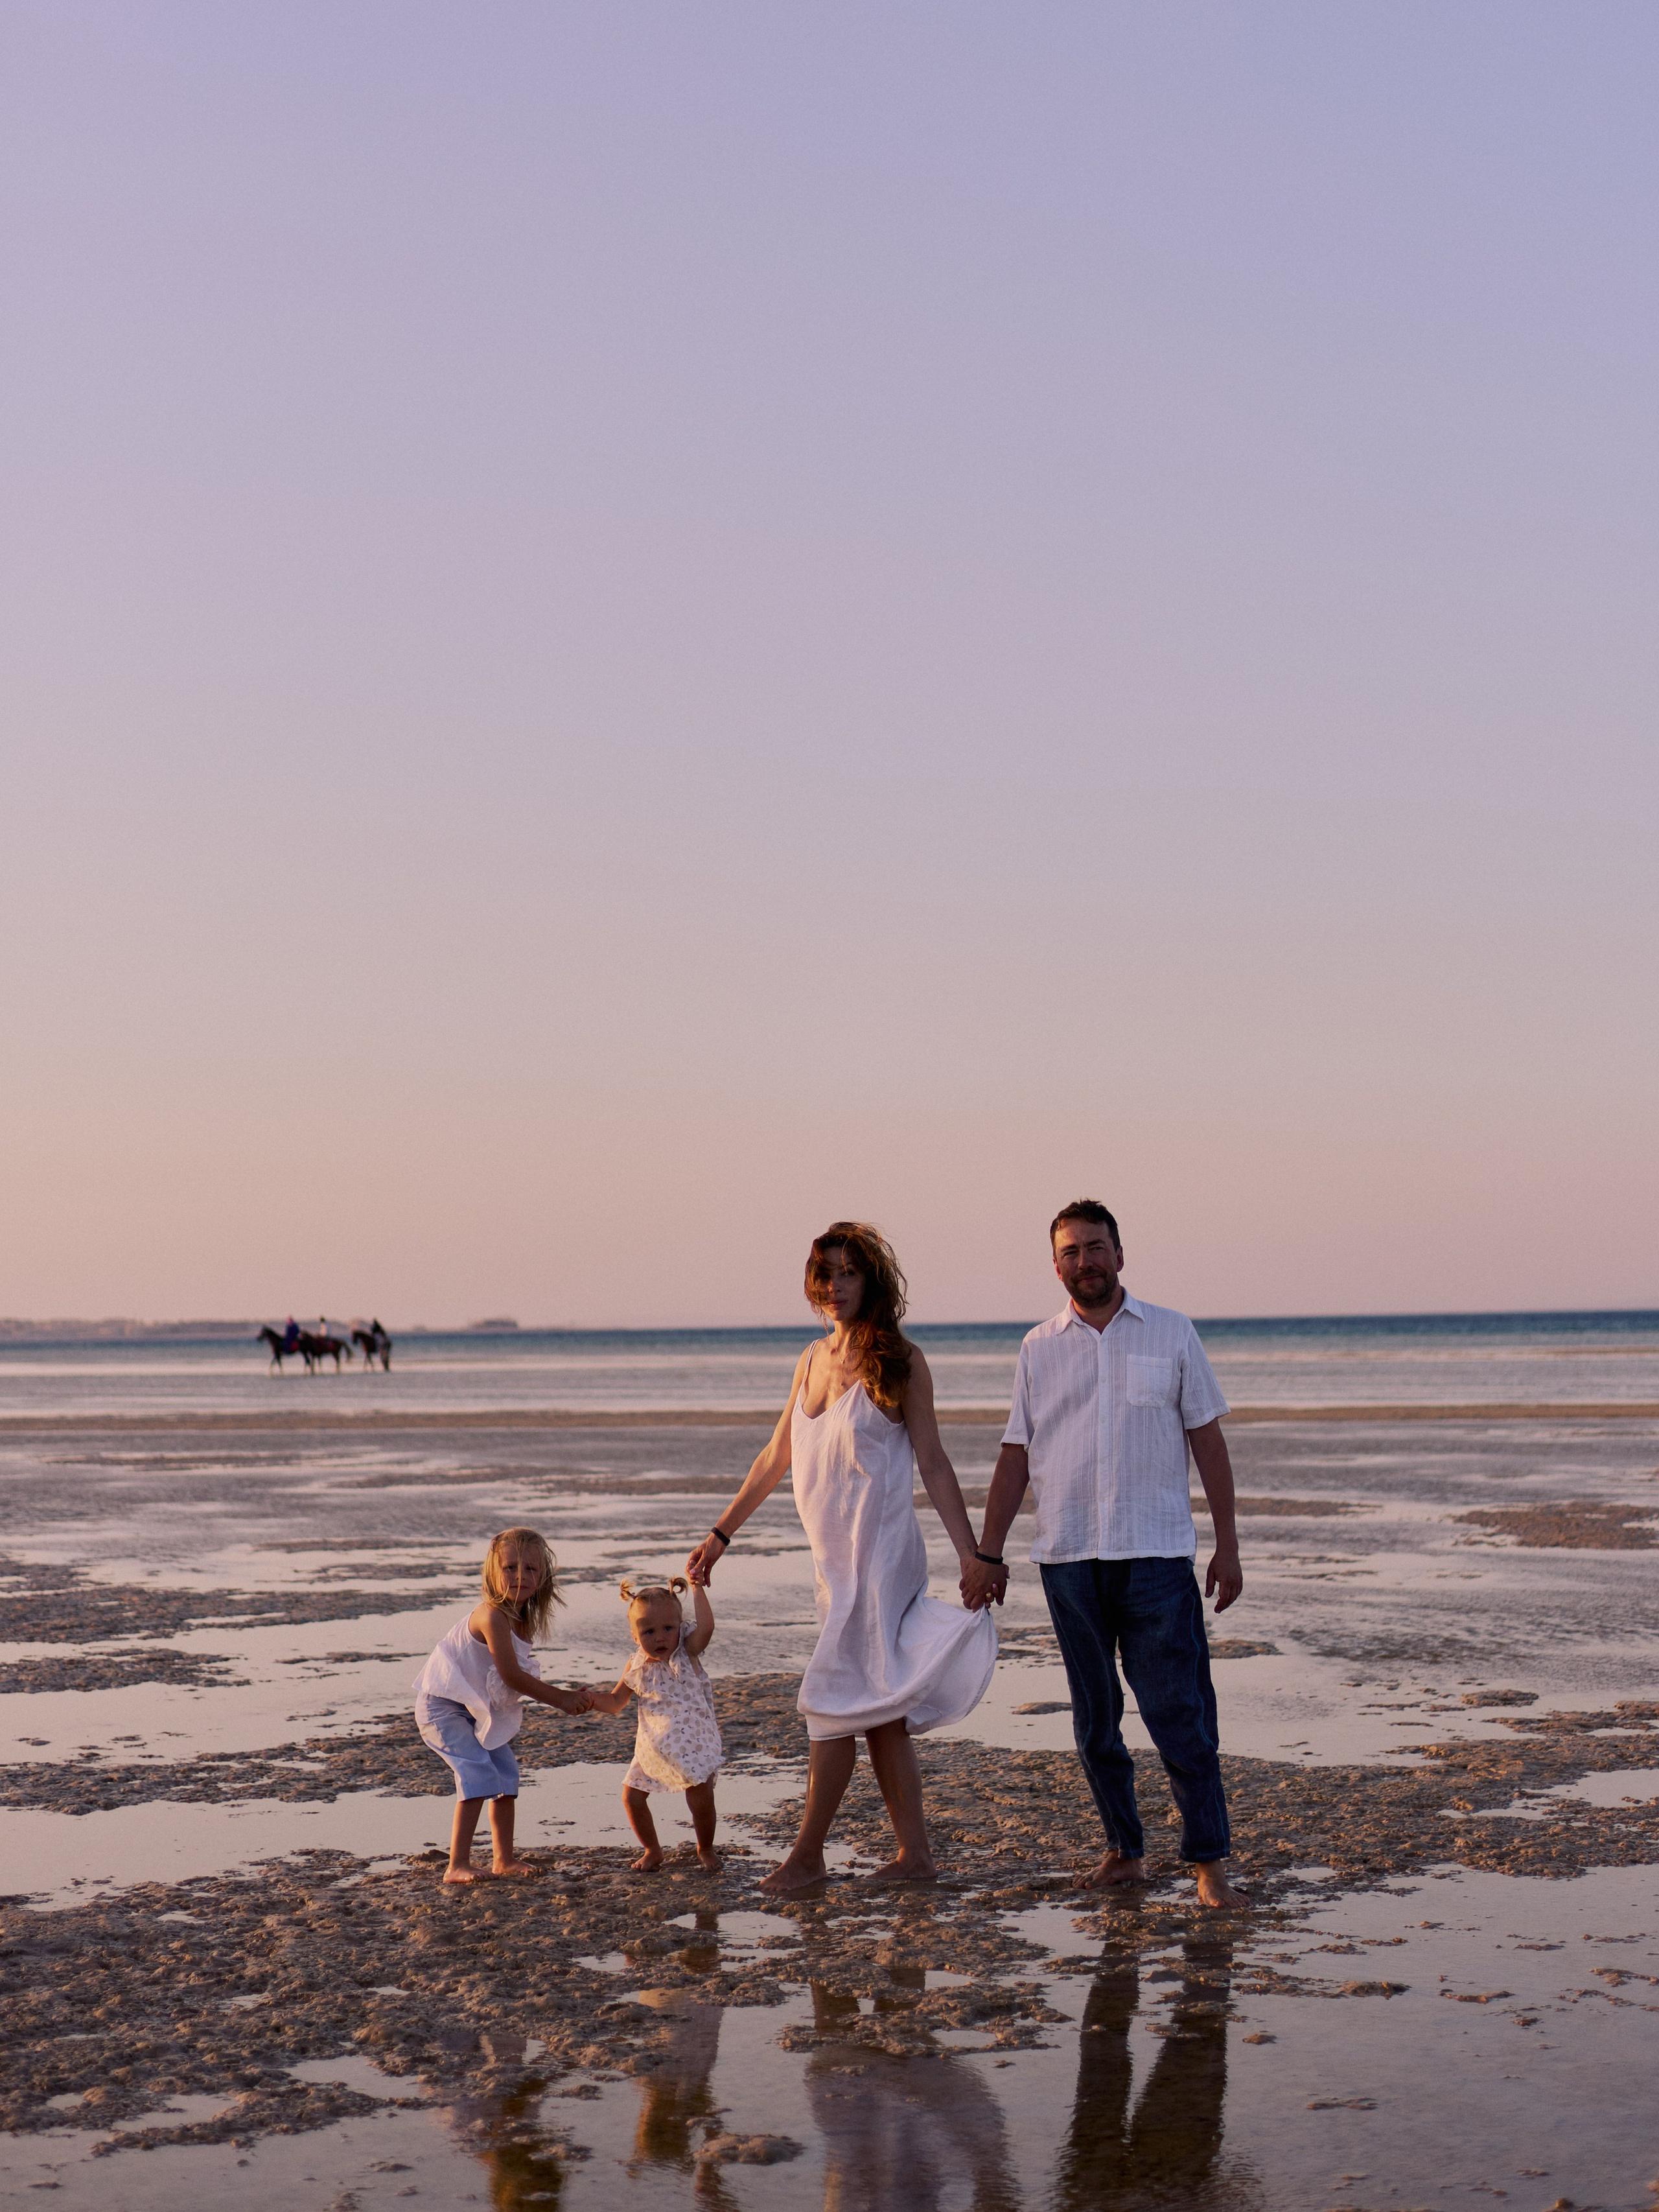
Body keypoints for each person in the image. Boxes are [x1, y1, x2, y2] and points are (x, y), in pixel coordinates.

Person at [686, 1222, 995, 1891]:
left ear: (871, 1280)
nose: (835, 1285)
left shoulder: (901, 1361)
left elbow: (935, 1463)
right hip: (833, 1567)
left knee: (829, 1700)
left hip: (881, 1559)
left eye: (849, 1271)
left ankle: (806, 1855)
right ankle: (914, 1856)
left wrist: (971, 1555)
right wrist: (720, 1534)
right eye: (825, 1272)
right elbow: (776, 1456)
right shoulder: (809, 1359)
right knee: (878, 1707)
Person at [961, 1200, 1248, 1909]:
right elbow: (1015, 1455)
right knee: (1095, 1720)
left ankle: (1209, 1865)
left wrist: (1228, 1545)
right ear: (1055, 1264)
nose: (1084, 1261)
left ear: (1120, 1254)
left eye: (1095, 1247)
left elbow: (1208, 1442)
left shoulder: (1172, 1332)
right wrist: (986, 1553)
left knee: (1179, 1712)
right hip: (1067, 1559)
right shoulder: (1038, 1346)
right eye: (1070, 1251)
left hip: (1155, 1556)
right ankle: (1125, 1850)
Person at [413, 1526, 592, 1883]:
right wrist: (562, 1698)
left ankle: (503, 1859)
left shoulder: (523, 1621)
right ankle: (456, 1865)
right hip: (443, 1706)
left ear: (543, 1577)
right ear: (493, 1572)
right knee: (477, 1773)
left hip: (477, 1707)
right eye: (510, 1567)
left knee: (506, 1776)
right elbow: (512, 1677)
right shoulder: (491, 1615)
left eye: (530, 1569)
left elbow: (505, 1679)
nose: (520, 1577)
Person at [585, 1576, 723, 1872]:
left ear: (680, 1627)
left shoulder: (687, 1652)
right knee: (631, 1797)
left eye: (668, 1629)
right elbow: (615, 1702)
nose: (660, 1638)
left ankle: (706, 1847)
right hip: (652, 1747)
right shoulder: (636, 1664)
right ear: (635, 1636)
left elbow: (708, 1627)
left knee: (700, 1799)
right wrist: (588, 1700)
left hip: (693, 1743)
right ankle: (652, 1850)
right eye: (648, 1631)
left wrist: (697, 1588)